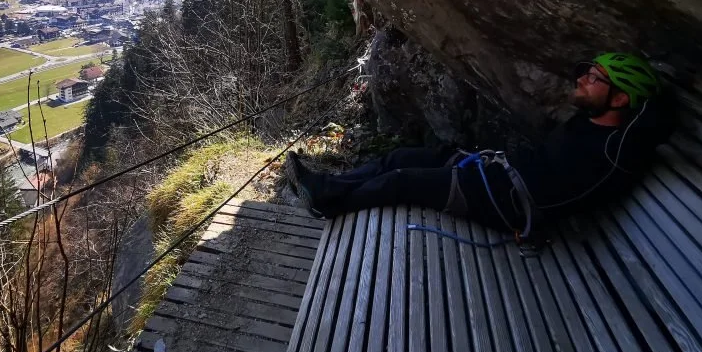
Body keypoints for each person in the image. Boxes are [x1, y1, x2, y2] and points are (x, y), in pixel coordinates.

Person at [285, 52, 674, 234]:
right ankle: (326, 188)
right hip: (500, 176)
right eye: (588, 71)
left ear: (621, 99)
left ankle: (326, 202)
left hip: (507, 203)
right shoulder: (588, 125)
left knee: (402, 180)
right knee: (404, 156)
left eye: (595, 79)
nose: (583, 78)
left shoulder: (613, 150)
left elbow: (559, 196)